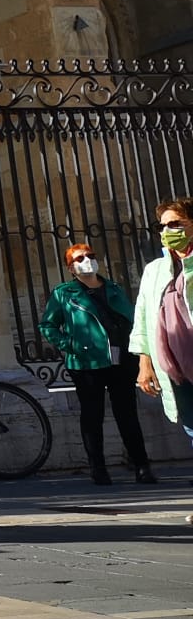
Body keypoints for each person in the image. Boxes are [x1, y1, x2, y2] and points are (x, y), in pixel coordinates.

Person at [40, 242, 153, 486]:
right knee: (92, 415)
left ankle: (142, 465)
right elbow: (48, 325)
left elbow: (130, 317)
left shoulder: (113, 288)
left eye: (90, 256)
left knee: (128, 414)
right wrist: (69, 344)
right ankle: (98, 468)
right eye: (79, 259)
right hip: (85, 361)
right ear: (71, 268)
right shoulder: (64, 293)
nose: (87, 261)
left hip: (121, 359)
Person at [131, 195, 193, 463]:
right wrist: (145, 364)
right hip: (175, 366)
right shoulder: (155, 270)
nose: (168, 231)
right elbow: (143, 316)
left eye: (175, 224)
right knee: (190, 423)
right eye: (162, 226)